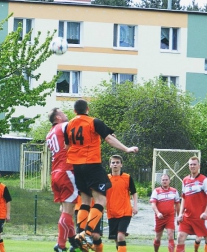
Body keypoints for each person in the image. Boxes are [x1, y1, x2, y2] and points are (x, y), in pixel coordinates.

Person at [64, 99, 138, 251]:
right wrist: (126, 149)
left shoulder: (69, 125)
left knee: (85, 201)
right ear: (88, 109)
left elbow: (66, 146)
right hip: (91, 163)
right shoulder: (93, 122)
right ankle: (87, 233)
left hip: (76, 166)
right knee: (101, 200)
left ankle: (81, 232)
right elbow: (109, 139)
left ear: (74, 111)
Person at [46, 108, 79, 252]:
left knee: (65, 209)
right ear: (58, 117)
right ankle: (60, 245)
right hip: (66, 171)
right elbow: (79, 125)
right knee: (68, 211)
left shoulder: (49, 134)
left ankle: (74, 241)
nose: (66, 115)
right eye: (63, 113)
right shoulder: (63, 126)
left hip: (55, 172)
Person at [176, 156, 207, 252]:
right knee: (180, 238)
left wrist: (205, 213)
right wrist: (180, 213)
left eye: (194, 164)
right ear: (188, 166)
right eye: (191, 164)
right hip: (187, 217)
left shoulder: (204, 180)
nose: (192, 166)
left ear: (199, 166)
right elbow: (183, 197)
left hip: (200, 218)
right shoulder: (185, 180)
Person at [106, 154, 138, 252]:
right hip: (112, 213)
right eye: (113, 162)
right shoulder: (106, 179)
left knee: (120, 236)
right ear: (110, 165)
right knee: (116, 239)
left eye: (117, 162)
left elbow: (134, 192)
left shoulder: (127, 177)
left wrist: (135, 206)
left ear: (121, 165)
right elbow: (101, 194)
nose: (115, 164)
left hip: (125, 212)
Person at [150, 174, 180, 252]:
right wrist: (158, 213)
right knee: (157, 238)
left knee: (170, 236)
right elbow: (153, 204)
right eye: (163, 180)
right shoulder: (156, 191)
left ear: (169, 181)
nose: (165, 181)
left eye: (166, 180)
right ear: (161, 181)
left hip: (170, 217)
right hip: (159, 218)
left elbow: (177, 204)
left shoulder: (174, 191)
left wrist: (178, 216)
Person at [0, 182, 12, 252]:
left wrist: (8, 214)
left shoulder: (3, 187)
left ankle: (2, 250)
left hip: (1, 215)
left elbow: (8, 201)